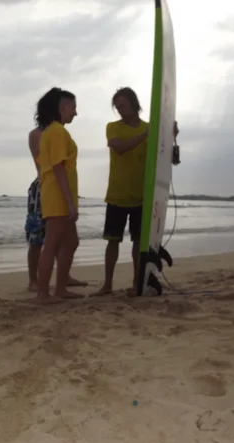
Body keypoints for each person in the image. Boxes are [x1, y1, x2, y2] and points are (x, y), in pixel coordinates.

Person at [94, 87, 148, 295]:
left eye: (122, 105)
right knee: (112, 242)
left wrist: (169, 135)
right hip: (117, 195)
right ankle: (107, 284)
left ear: (134, 103)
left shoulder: (148, 129)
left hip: (141, 197)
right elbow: (119, 147)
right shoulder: (113, 127)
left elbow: (167, 157)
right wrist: (145, 135)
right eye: (117, 107)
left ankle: (136, 283)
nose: (119, 110)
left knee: (138, 243)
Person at [25, 122, 87, 292]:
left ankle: (63, 277)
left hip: (59, 186)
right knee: (38, 237)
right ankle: (33, 280)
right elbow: (50, 162)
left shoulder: (58, 132)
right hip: (44, 186)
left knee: (64, 237)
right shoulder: (40, 133)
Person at [35, 87, 82, 304]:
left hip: (59, 194)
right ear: (63, 107)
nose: (75, 112)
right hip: (57, 195)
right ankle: (43, 293)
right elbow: (58, 168)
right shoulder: (56, 132)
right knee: (52, 243)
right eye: (73, 107)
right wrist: (70, 202)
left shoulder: (54, 131)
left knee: (71, 241)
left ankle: (60, 288)